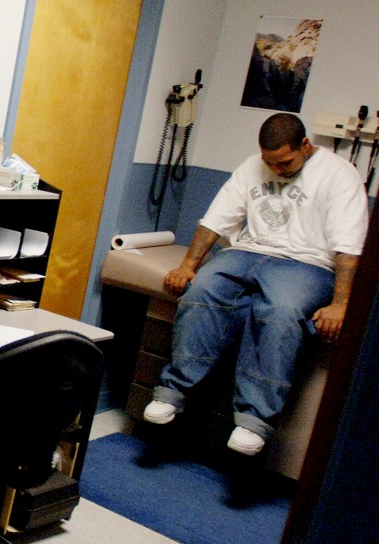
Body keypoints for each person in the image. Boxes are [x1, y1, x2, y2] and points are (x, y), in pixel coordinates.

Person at [142, 113, 369, 455]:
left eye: (285, 162)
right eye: (269, 163)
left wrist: (341, 304)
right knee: (202, 290)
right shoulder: (253, 166)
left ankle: (253, 422)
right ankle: (173, 393)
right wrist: (188, 265)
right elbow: (216, 219)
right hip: (248, 252)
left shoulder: (340, 175)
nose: (276, 170)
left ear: (305, 146)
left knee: (280, 310)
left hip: (307, 264)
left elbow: (349, 247)